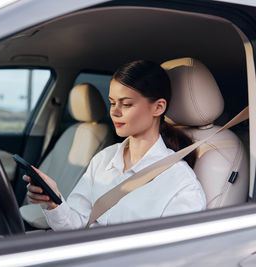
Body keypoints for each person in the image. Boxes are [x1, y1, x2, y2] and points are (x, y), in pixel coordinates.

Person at [23, 60, 206, 231]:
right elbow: (76, 224)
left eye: (126, 104)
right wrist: (54, 202)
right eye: (112, 103)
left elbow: (177, 255)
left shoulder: (181, 182)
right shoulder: (104, 159)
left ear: (158, 107)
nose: (114, 112)